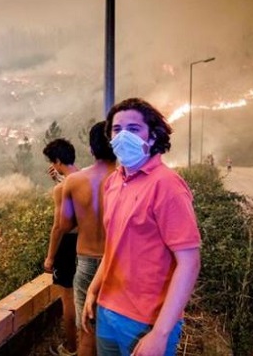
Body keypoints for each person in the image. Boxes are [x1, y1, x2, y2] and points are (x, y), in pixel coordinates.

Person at [82, 98, 202, 356]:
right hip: (107, 310)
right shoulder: (113, 182)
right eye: (117, 129)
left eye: (134, 129)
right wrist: (93, 290)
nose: (123, 135)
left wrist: (160, 333)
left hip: (146, 320)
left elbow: (189, 263)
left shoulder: (167, 186)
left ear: (153, 135)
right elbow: (114, 246)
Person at [49, 121, 117, 356]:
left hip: (87, 261)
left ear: (90, 149)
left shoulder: (74, 182)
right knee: (115, 328)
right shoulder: (125, 179)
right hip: (116, 261)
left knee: (86, 328)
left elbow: (64, 225)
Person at [43, 138, 80, 356]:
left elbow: (59, 227)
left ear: (57, 160)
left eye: (54, 162)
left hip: (67, 245)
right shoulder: (87, 178)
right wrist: (59, 179)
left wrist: (50, 258)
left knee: (68, 297)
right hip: (87, 243)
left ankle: (71, 346)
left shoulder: (63, 188)